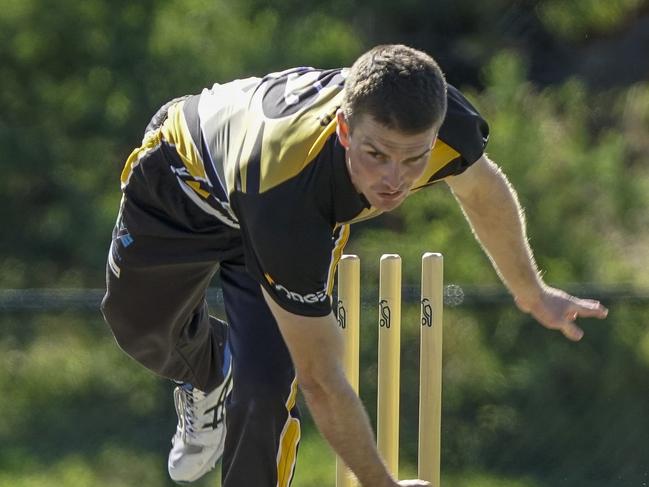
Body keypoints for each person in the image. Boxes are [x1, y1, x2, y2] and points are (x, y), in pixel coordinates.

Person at [100, 44, 608, 487]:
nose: (395, 181)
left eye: (415, 159)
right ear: (345, 128)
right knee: (138, 326)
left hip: (284, 208)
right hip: (182, 182)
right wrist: (382, 484)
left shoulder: (441, 118)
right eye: (376, 154)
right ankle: (210, 372)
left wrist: (532, 292)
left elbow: (483, 192)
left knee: (267, 388)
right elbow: (323, 380)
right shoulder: (289, 193)